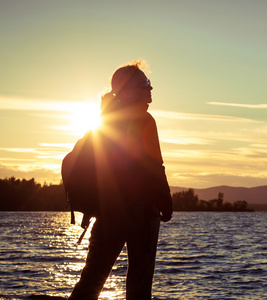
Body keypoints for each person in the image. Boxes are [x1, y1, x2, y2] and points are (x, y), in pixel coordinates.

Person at [68, 60, 173, 300]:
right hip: (142, 213)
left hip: (107, 213)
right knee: (139, 284)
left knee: (91, 280)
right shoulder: (145, 120)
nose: (150, 88)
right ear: (127, 91)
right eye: (144, 83)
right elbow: (154, 167)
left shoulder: (103, 121)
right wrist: (166, 203)